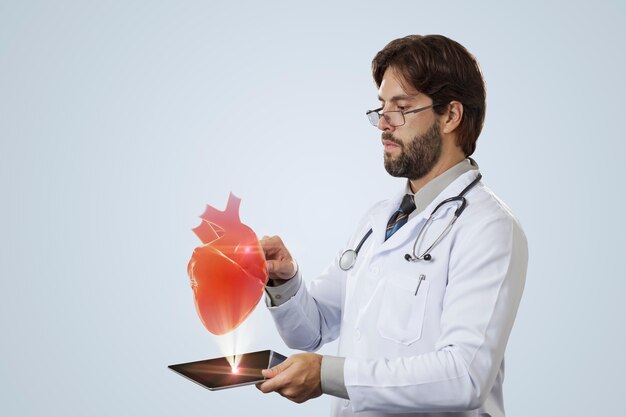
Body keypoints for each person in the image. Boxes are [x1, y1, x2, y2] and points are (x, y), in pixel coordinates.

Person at [256, 34, 528, 417]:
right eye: (381, 107)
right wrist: (285, 281)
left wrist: (328, 375)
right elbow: (312, 331)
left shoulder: (488, 227)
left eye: (401, 108)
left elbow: (464, 376)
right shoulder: (378, 219)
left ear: (451, 115)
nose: (383, 123)